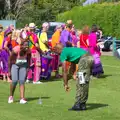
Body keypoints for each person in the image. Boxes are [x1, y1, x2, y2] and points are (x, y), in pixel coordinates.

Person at [53, 43, 93, 111]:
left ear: (58, 49)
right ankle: (82, 104)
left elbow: (64, 70)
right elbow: (73, 64)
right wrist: (73, 74)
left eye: (56, 51)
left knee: (80, 83)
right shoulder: (69, 50)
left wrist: (65, 84)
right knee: (84, 83)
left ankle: (77, 104)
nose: (57, 54)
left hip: (83, 60)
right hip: (89, 57)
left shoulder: (63, 53)